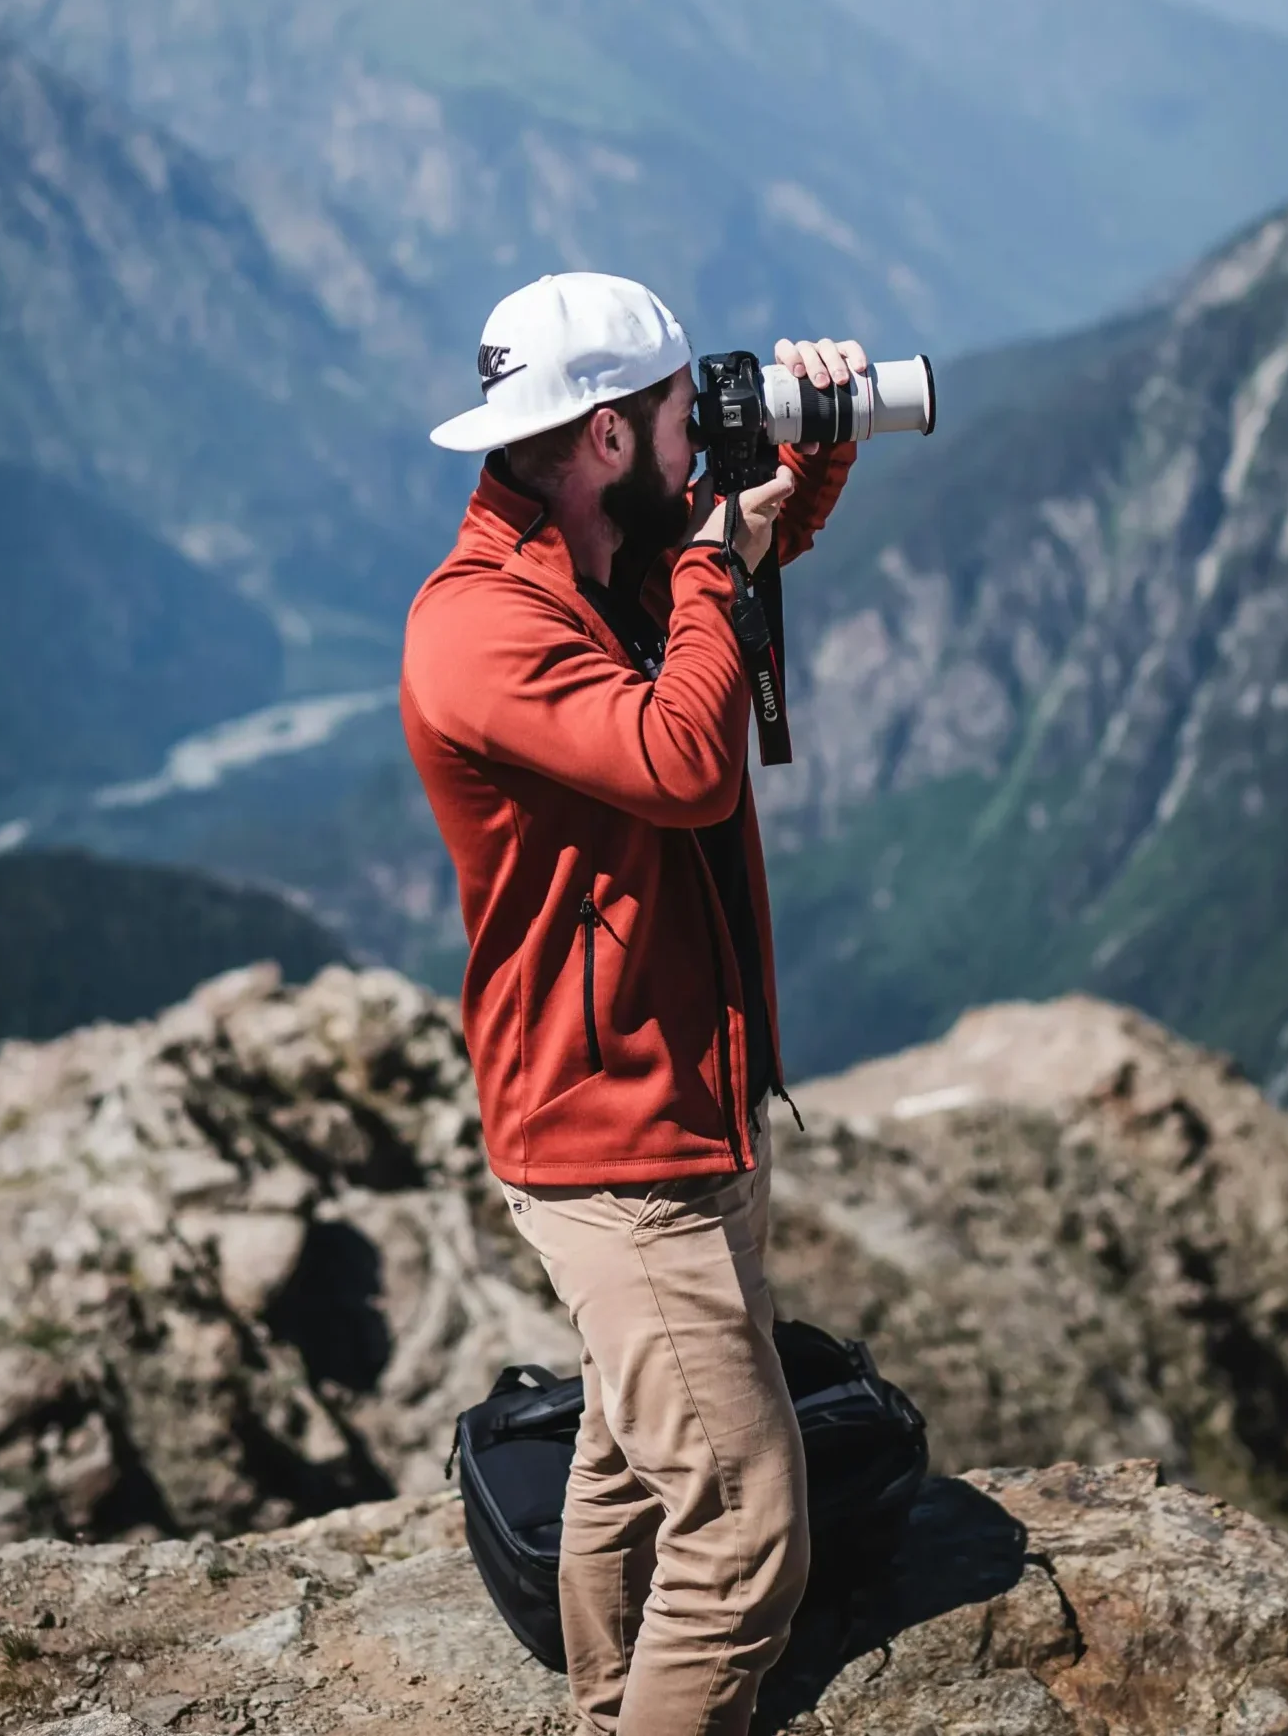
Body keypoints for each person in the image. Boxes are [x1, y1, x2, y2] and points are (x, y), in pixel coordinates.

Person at [400, 271, 865, 1736]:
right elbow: (681, 763)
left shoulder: (592, 552)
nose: (691, 438)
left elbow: (715, 581)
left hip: (678, 1100)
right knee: (740, 1534)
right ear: (605, 436)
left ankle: (610, 1705)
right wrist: (720, 558)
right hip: (616, 1136)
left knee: (621, 1449)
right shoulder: (480, 627)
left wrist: (812, 457)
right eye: (677, 415)